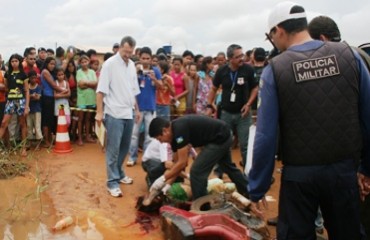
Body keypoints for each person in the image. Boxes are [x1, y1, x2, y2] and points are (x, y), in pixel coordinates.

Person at [248, 2, 370, 239]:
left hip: (299, 177)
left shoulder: (276, 69)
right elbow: (367, 115)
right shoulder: (350, 55)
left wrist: (258, 186)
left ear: (279, 31)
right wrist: (366, 167)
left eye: (270, 36)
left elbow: (265, 136)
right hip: (344, 171)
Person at [148, 115, 248, 201]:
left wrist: (162, 179)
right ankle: (249, 191)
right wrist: (167, 185)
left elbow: (182, 163)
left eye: (159, 139)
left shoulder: (179, 130)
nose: (161, 142)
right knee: (228, 167)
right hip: (223, 134)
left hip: (220, 138)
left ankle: (202, 207)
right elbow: (177, 164)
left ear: (164, 131)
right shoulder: (174, 136)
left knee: (196, 172)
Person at [95, 36, 141, 198]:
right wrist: (99, 112)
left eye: (130, 52)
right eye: (125, 51)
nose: (127, 54)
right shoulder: (109, 65)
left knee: (125, 147)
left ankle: (120, 173)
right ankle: (112, 182)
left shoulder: (132, 65)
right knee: (113, 150)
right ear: (120, 47)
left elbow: (133, 91)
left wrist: (137, 110)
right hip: (113, 113)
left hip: (128, 113)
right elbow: (100, 91)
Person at [206, 44, 258, 169]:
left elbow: (255, 88)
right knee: (224, 143)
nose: (242, 58)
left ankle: (248, 171)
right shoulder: (222, 71)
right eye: (238, 56)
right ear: (230, 58)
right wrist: (209, 105)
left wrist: (248, 104)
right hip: (225, 114)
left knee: (245, 144)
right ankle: (223, 170)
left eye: (242, 55)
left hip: (243, 114)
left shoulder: (248, 70)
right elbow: (213, 89)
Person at [127, 47, 162, 167]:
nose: (145, 61)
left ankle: (146, 158)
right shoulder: (134, 70)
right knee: (133, 134)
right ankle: (132, 157)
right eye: (143, 58)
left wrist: (154, 79)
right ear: (139, 58)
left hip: (151, 107)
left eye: (148, 58)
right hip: (137, 107)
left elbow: (161, 86)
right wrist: (136, 74)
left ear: (151, 59)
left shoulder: (155, 70)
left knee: (149, 135)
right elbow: (130, 86)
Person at [0, 54, 30, 156]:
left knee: (22, 124)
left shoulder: (23, 74)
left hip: (21, 101)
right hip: (10, 101)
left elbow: (27, 91)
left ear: (19, 62)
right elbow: (6, 88)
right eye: (12, 61)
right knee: (4, 123)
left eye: (16, 61)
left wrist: (26, 106)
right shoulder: (7, 74)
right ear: (10, 62)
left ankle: (23, 148)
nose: (14, 63)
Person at [76, 55, 97, 145]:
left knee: (88, 118)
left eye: (86, 61)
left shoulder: (92, 72)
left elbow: (96, 83)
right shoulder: (78, 72)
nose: (84, 63)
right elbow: (80, 84)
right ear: (80, 63)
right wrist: (90, 84)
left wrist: (86, 83)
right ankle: (80, 138)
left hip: (91, 98)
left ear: (88, 62)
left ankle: (88, 136)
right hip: (82, 98)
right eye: (82, 62)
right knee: (80, 119)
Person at [27, 70, 43, 144]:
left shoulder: (38, 87)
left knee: (37, 126)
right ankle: (30, 142)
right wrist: (33, 96)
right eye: (32, 78)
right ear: (29, 78)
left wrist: (29, 97)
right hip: (29, 109)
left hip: (37, 109)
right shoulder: (27, 87)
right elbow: (26, 97)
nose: (33, 79)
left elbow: (38, 98)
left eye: (35, 78)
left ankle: (38, 143)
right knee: (29, 126)